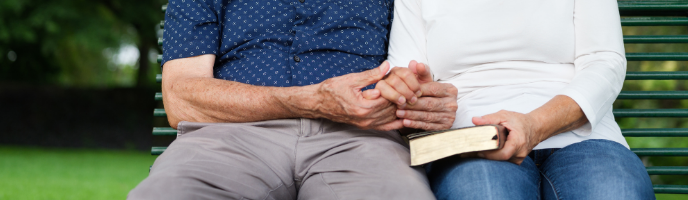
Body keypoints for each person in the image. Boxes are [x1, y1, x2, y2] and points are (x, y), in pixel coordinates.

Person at [127, 0, 458, 199]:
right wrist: (308, 99)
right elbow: (181, 97)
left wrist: (416, 95)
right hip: (228, 136)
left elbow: (416, 66)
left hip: (360, 139)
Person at [379, 0, 656, 199]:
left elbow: (605, 62)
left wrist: (534, 125)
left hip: (584, 137)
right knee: (482, 193)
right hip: (477, 141)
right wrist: (414, 96)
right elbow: (405, 74)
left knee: (615, 192)